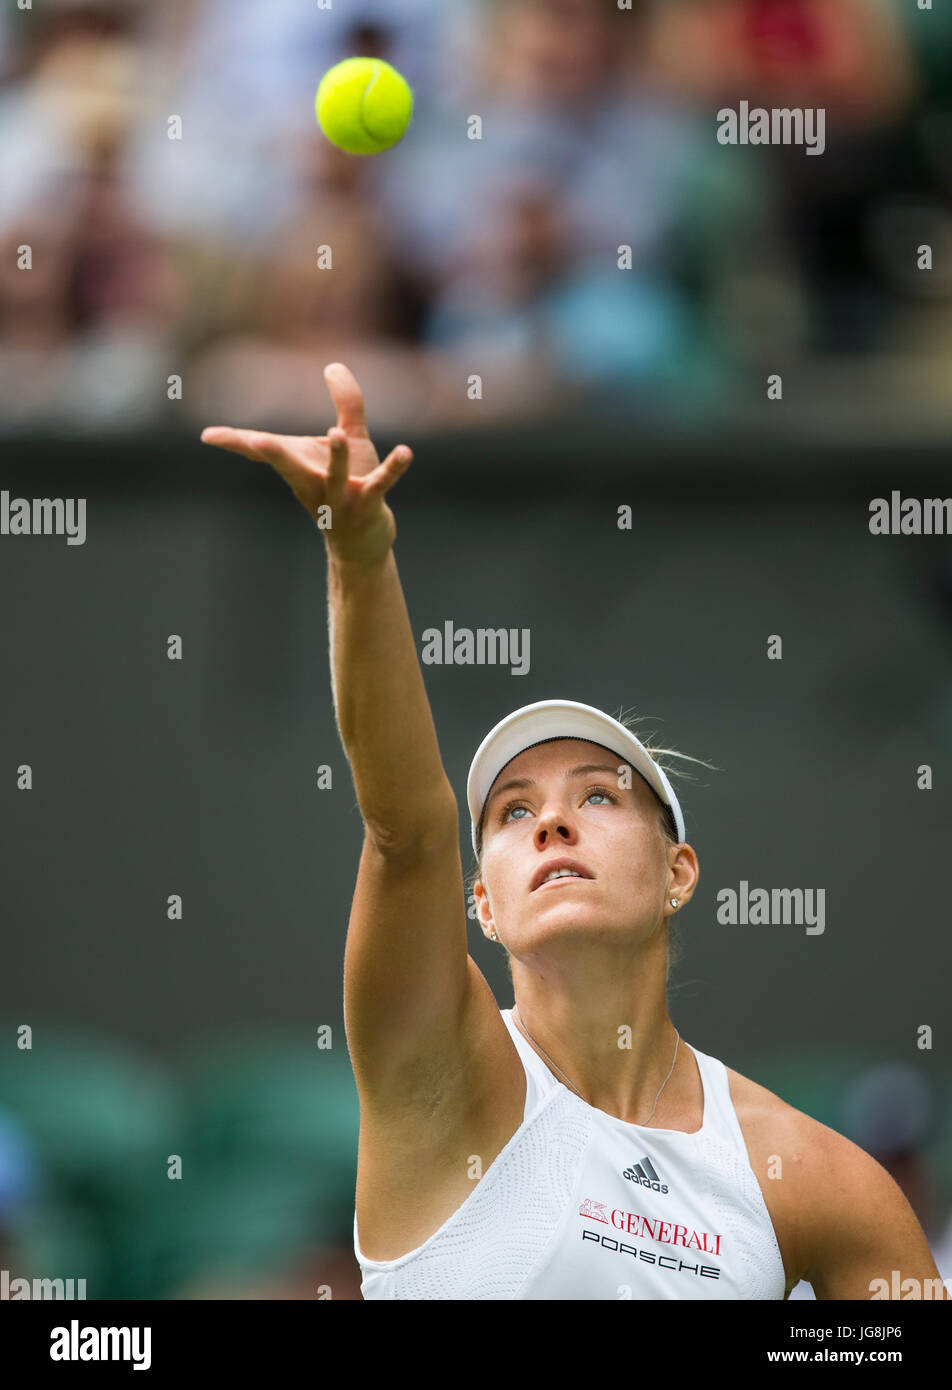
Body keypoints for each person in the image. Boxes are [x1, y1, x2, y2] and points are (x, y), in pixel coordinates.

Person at [201, 362, 948, 1301]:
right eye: (514, 813)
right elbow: (407, 831)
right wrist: (357, 551)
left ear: (679, 872)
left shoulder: (816, 1181)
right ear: (480, 903)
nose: (552, 817)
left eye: (597, 796)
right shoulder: (440, 1076)